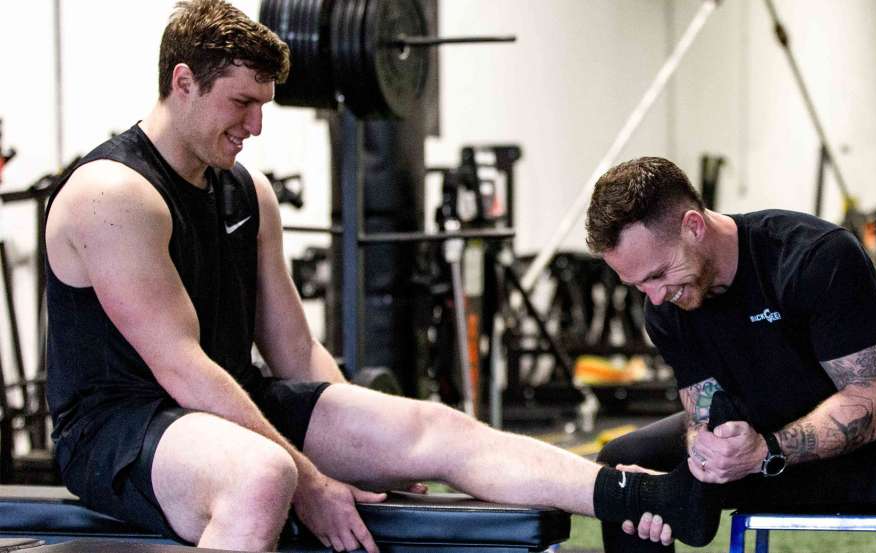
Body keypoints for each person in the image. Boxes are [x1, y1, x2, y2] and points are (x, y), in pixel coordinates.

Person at [45, 2, 702, 551]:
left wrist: (364, 449)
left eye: (264, 104)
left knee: (435, 430)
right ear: (182, 82)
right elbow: (181, 368)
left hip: (226, 404)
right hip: (119, 426)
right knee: (263, 476)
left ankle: (632, 488)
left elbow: (296, 352)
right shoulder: (114, 194)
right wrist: (311, 477)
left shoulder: (248, 193)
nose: (256, 125)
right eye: (241, 103)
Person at [583, 156, 876, 552]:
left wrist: (766, 450)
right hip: (766, 437)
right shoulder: (667, 307)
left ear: (694, 227)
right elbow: (703, 411)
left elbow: (874, 399)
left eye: (657, 274)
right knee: (624, 466)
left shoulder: (815, 256)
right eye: (637, 285)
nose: (654, 296)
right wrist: (702, 459)